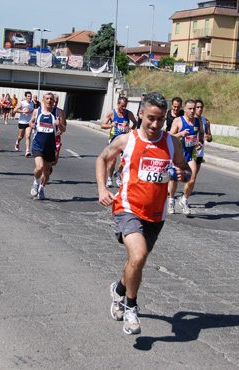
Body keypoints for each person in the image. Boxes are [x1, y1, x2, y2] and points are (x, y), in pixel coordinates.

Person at [96, 92, 191, 335]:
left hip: (156, 215)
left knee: (136, 262)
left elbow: (184, 169)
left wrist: (183, 174)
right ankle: (131, 307)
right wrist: (102, 189)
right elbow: (102, 158)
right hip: (127, 208)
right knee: (138, 256)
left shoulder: (172, 143)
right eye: (150, 118)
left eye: (160, 119)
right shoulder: (127, 140)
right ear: (141, 114)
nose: (155, 124)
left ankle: (118, 290)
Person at [167, 99, 203, 215]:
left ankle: (184, 199)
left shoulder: (198, 121)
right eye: (190, 109)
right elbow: (169, 136)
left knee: (192, 178)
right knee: (174, 177)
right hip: (177, 154)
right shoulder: (178, 121)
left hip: (190, 153)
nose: (193, 111)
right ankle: (171, 200)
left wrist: (200, 141)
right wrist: (180, 134)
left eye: (194, 108)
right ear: (185, 110)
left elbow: (201, 133)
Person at [29, 93, 66, 199]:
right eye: (47, 99)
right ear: (43, 100)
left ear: (54, 101)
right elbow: (30, 122)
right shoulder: (37, 111)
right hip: (38, 145)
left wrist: (59, 125)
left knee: (46, 171)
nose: (49, 100)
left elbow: (63, 129)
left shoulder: (57, 112)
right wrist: (31, 125)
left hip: (50, 146)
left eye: (51, 99)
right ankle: (35, 183)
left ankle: (41, 188)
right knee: (39, 167)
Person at [100, 96, 137, 187]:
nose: (123, 108)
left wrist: (132, 129)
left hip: (125, 141)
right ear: (117, 104)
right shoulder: (112, 113)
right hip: (114, 140)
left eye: (125, 106)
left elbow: (135, 122)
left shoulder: (129, 114)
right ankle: (109, 178)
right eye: (122, 106)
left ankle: (118, 173)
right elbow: (102, 125)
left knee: (125, 160)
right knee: (112, 161)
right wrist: (111, 125)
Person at [13, 91, 35, 157]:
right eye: (28, 96)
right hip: (22, 122)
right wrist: (23, 111)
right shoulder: (22, 103)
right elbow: (15, 110)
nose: (30, 97)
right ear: (25, 97)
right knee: (21, 136)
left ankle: (27, 151)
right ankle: (17, 141)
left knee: (28, 136)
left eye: (30, 96)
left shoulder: (32, 103)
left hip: (29, 122)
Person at [194, 99, 213, 173]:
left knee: (194, 176)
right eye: (198, 107)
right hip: (189, 150)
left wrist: (209, 138)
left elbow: (210, 137)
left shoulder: (206, 121)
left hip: (199, 152)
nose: (200, 109)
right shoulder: (189, 120)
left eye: (201, 107)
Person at [52, 94, 67, 167]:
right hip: (45, 136)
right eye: (53, 102)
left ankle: (47, 168)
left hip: (56, 136)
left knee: (54, 161)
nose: (54, 104)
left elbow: (64, 124)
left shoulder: (60, 111)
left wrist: (60, 127)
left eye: (56, 102)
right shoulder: (43, 111)